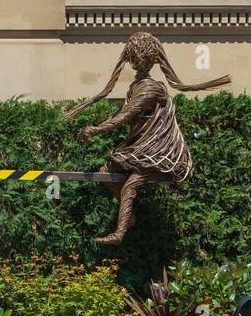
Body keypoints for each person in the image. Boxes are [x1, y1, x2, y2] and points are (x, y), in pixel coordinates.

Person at [65, 31, 230, 247]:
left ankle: (119, 233)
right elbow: (121, 114)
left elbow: (124, 117)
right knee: (105, 173)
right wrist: (97, 127)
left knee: (131, 184)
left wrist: (96, 130)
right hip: (141, 150)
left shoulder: (149, 89)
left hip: (158, 154)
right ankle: (128, 216)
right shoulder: (138, 87)